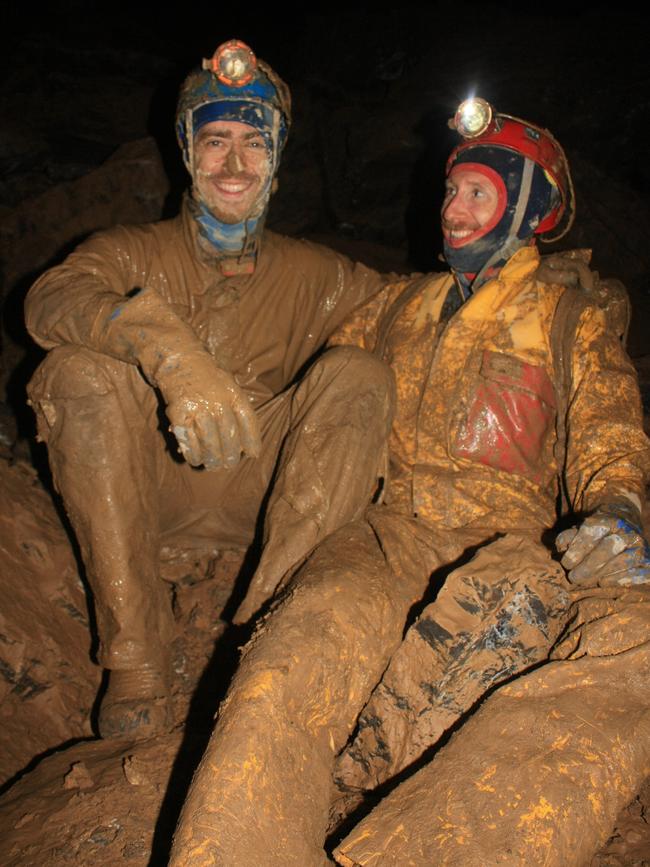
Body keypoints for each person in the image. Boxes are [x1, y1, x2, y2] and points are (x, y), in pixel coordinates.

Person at [169, 99, 650, 866]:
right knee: (294, 653)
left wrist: (617, 508)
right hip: (385, 535)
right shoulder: (399, 304)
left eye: (478, 194)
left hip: (505, 540)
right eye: (450, 191)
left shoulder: (569, 320)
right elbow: (309, 383)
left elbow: (610, 432)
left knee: (543, 602)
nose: (452, 211)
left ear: (528, 208)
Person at [24, 39, 394, 740]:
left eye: (253, 142)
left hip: (263, 490)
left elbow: (412, 312)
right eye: (215, 139)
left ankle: (270, 642)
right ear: (188, 153)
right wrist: (171, 357)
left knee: (361, 375)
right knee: (75, 371)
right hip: (146, 484)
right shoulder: (133, 249)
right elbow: (50, 298)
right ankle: (136, 659)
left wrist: (524, 277)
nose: (233, 163)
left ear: (277, 160)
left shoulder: (318, 275)